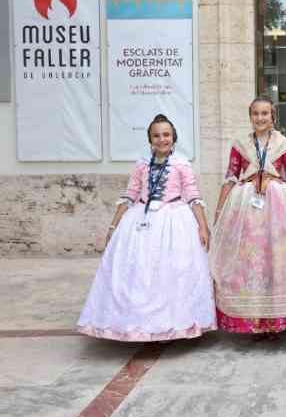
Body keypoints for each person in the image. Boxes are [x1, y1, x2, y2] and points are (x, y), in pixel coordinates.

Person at [77, 114, 216, 341]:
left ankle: (170, 324)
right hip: (140, 221)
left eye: (167, 135)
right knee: (139, 273)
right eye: (157, 135)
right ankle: (137, 324)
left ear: (174, 137)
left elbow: (192, 195)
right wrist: (114, 224)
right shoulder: (141, 164)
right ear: (150, 139)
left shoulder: (181, 164)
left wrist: (203, 227)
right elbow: (131, 193)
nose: (162, 139)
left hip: (173, 220)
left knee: (171, 274)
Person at [210, 97, 286, 336]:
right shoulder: (240, 145)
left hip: (278, 208)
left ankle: (275, 319)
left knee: (276, 260)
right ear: (250, 117)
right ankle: (253, 318)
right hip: (245, 210)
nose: (260, 118)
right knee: (249, 262)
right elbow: (230, 177)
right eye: (256, 114)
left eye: (265, 113)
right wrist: (218, 215)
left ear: (273, 117)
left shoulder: (284, 144)